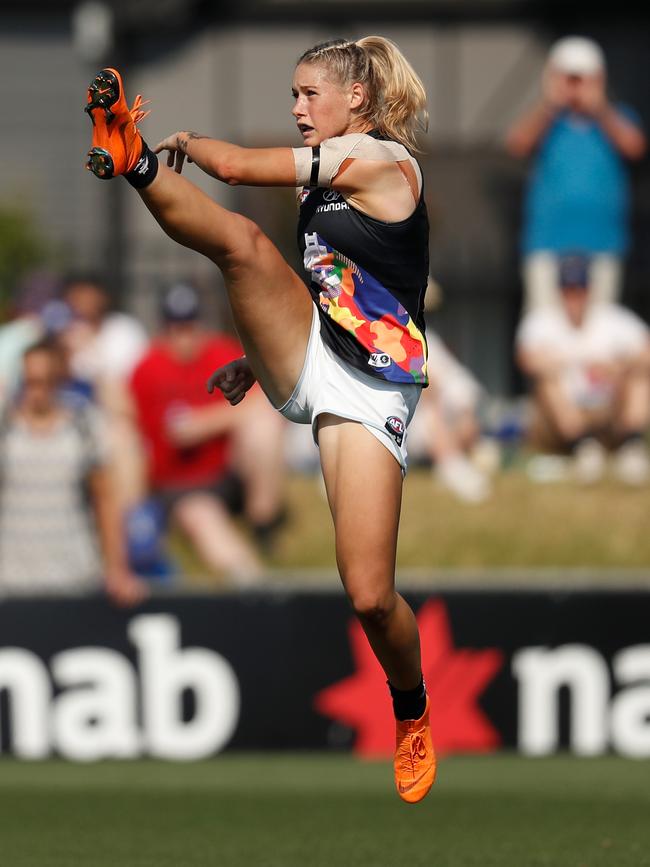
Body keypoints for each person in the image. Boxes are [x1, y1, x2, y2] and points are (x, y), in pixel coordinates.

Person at [84, 36, 435, 802]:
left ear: (359, 103)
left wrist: (194, 143)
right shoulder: (326, 170)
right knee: (242, 244)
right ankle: (131, 155)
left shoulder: (381, 162)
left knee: (370, 594)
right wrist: (269, 348)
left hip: (372, 389)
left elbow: (239, 166)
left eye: (311, 95)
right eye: (293, 95)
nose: (297, 109)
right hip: (313, 348)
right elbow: (333, 283)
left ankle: (411, 706)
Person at [129, 283, 286, 584]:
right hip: (180, 483)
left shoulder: (221, 352)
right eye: (175, 326)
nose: (183, 336)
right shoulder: (147, 367)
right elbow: (151, 433)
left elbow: (266, 402)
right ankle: (255, 585)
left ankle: (263, 522)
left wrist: (206, 423)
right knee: (203, 518)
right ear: (164, 327)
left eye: (189, 325)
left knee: (264, 424)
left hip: (226, 471)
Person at [505, 36, 646, 311]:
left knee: (600, 329)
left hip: (602, 243)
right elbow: (517, 143)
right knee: (545, 328)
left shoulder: (617, 117)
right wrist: (550, 103)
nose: (575, 85)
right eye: (569, 78)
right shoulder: (547, 121)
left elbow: (634, 146)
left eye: (583, 78)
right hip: (547, 243)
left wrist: (600, 107)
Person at [0, 339, 146, 603]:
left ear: (58, 381)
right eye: (29, 381)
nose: (36, 391)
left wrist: (117, 568)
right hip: (11, 579)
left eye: (44, 381)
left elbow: (104, 500)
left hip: (74, 576)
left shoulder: (84, 427)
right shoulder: (5, 428)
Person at [516, 253, 650, 485]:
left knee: (639, 377)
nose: (574, 297)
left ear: (589, 290)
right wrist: (570, 362)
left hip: (608, 406)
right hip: (565, 413)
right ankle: (584, 448)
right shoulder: (541, 321)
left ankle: (631, 446)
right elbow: (526, 359)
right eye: (568, 289)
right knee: (548, 382)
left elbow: (645, 351)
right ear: (559, 291)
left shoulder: (613, 318)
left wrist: (618, 367)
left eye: (580, 289)